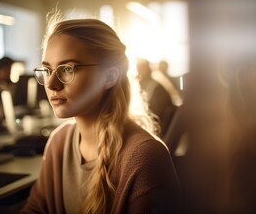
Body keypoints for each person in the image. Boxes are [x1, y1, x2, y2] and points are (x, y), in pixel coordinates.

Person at [21, 15, 181, 213]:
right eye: (47, 69)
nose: (51, 84)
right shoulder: (59, 141)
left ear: (110, 76)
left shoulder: (145, 157)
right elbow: (36, 209)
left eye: (68, 69)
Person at [136, 58, 176, 137]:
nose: (139, 71)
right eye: (138, 68)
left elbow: (156, 111)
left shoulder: (156, 87)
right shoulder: (140, 83)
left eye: (142, 68)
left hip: (158, 127)